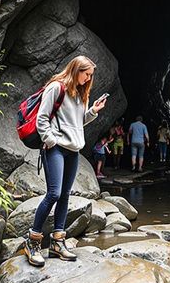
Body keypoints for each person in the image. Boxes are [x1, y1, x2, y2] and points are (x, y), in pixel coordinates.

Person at [25, 56, 109, 267]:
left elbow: (77, 123)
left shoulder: (82, 93)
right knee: (54, 193)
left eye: (91, 75)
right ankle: (33, 241)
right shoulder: (56, 87)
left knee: (65, 195)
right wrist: (51, 140)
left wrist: (92, 112)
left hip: (73, 151)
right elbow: (41, 118)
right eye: (86, 74)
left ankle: (57, 242)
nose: (88, 79)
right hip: (55, 149)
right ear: (75, 70)